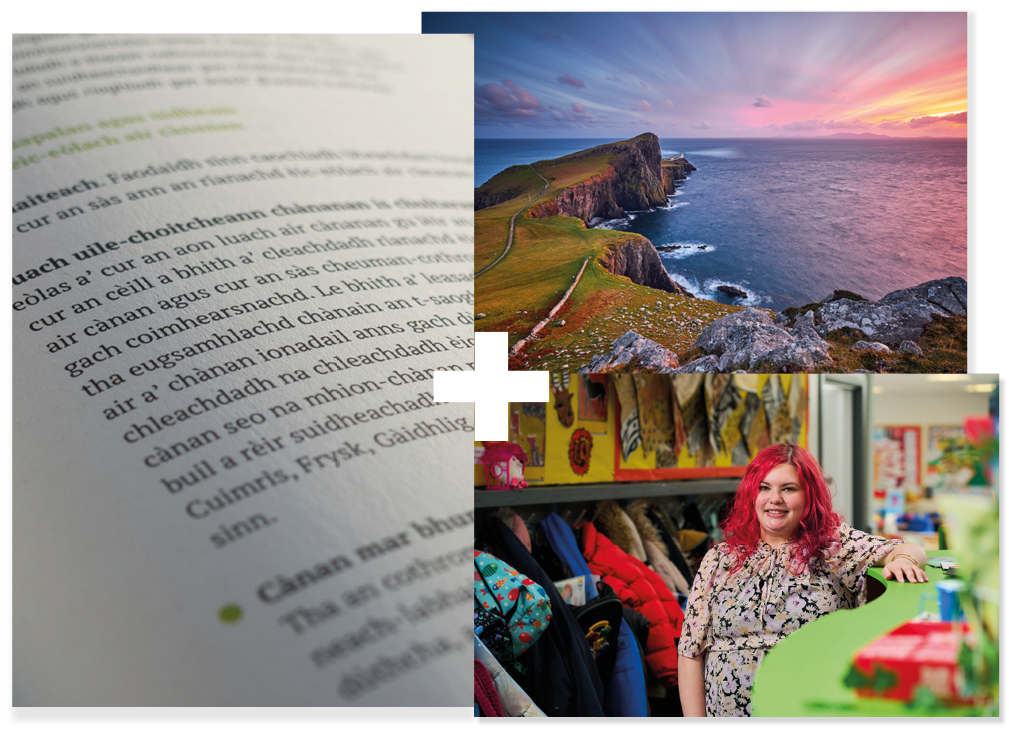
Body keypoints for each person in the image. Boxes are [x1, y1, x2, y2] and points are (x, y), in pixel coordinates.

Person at [677, 443, 928, 717]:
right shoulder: (719, 559)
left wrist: (905, 561)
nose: (775, 499)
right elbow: (690, 650)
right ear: (752, 494)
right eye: (764, 487)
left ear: (809, 496)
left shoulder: (833, 546)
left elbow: (907, 549)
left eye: (788, 489)